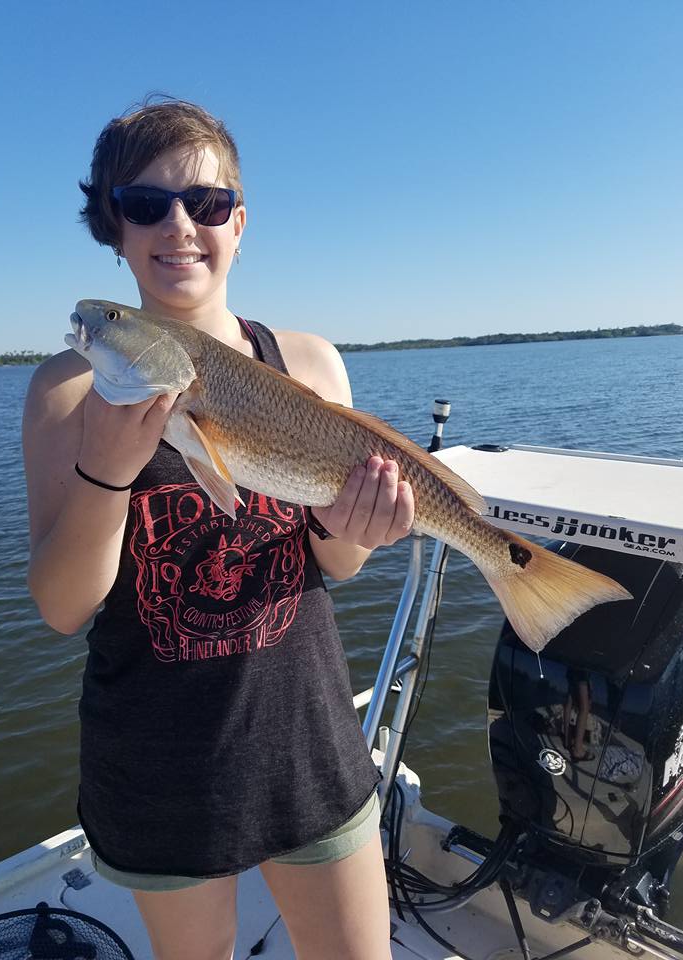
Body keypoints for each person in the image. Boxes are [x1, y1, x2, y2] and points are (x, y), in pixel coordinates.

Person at [22, 99, 415, 960]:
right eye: (144, 204)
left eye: (204, 204)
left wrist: (362, 527)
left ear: (238, 224)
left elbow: (336, 563)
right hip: (158, 762)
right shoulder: (65, 390)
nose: (177, 226)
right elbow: (59, 606)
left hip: (306, 735)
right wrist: (105, 469)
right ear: (112, 227)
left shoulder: (307, 362)